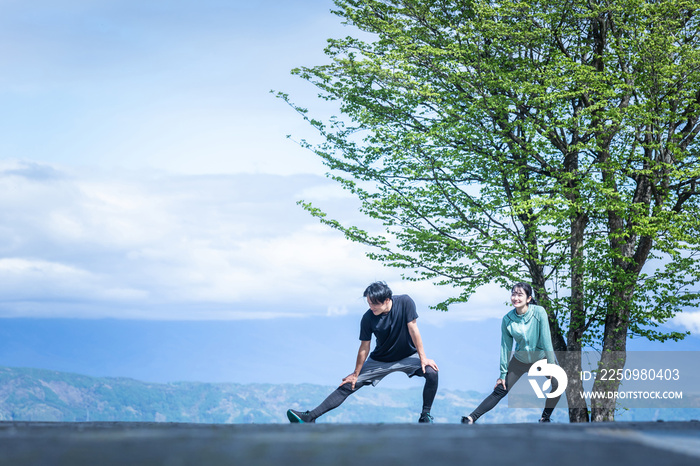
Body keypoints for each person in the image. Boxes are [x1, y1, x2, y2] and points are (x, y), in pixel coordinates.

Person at [287, 281, 439, 423]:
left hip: (407, 356)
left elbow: (413, 330)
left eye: (374, 304)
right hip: (381, 360)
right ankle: (310, 417)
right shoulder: (368, 318)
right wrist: (355, 373)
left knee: (432, 372)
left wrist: (423, 358)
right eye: (368, 303)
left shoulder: (405, 302)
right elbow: (364, 348)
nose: (371, 307)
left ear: (387, 300)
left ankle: (425, 415)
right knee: (349, 384)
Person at [462, 282, 561, 424]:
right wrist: (502, 373)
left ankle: (545, 417)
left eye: (520, 294)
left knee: (558, 383)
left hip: (541, 359)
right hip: (519, 361)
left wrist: (551, 364)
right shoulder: (507, 319)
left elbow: (546, 339)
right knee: (500, 389)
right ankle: (471, 418)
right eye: (513, 294)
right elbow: (505, 347)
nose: (515, 297)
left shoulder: (539, 312)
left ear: (528, 298)